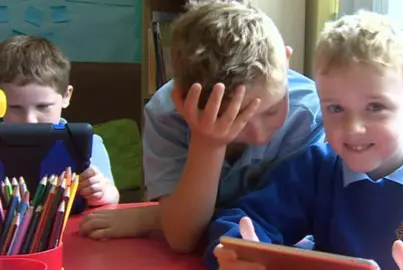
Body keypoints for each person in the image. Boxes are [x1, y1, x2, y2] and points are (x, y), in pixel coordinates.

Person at [205, 10, 403, 270]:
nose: (353, 128)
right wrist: (236, 253)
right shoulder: (315, 169)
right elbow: (238, 223)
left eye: (375, 107)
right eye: (336, 109)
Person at [78, 0, 323, 253]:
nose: (260, 135)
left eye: (271, 110)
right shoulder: (167, 114)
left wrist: (156, 218)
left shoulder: (311, 112)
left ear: (286, 61)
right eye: (236, 120)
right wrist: (208, 143)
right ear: (183, 99)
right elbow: (183, 239)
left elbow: (297, 220)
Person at [0, 35, 120, 213]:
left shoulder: (87, 144)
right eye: (15, 107)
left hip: (68, 232)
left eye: (43, 106)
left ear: (66, 96)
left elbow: (111, 195)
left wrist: (100, 192)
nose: (30, 120)